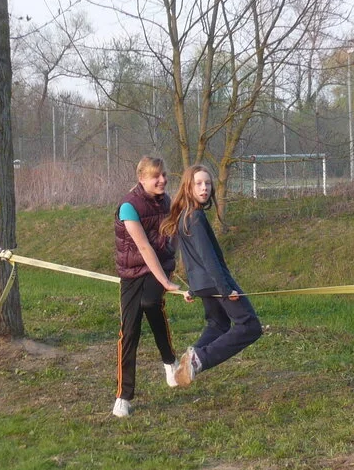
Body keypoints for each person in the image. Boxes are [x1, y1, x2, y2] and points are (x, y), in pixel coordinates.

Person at [161, 164, 261, 387]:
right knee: (250, 326)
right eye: (198, 183)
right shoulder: (194, 217)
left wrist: (194, 288)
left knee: (218, 324)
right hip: (216, 283)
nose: (204, 188)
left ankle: (187, 364)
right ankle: (199, 359)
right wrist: (226, 289)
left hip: (203, 284)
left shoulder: (184, 216)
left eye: (207, 183)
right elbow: (208, 258)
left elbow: (189, 258)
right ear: (188, 187)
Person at [112, 156, 180, 418]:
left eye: (164, 175)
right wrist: (166, 282)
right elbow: (143, 247)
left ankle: (169, 361)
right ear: (142, 178)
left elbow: (172, 232)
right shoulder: (128, 206)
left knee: (151, 302)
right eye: (156, 176)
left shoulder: (166, 200)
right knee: (129, 331)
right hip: (132, 271)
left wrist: (171, 261)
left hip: (159, 265)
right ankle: (123, 396)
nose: (162, 180)